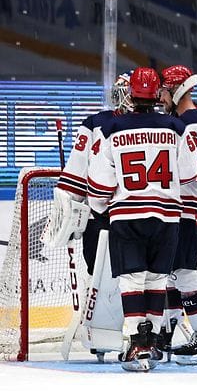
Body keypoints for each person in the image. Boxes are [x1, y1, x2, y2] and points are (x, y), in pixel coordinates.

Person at [85, 67, 197, 372]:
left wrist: (99, 207)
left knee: (132, 280)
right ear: (156, 93)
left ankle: (138, 343)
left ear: (131, 94)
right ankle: (152, 342)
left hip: (127, 215)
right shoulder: (176, 127)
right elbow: (191, 173)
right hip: (167, 216)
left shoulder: (112, 128)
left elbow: (99, 184)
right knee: (157, 279)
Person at [155, 65, 197, 365]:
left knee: (183, 272)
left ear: (176, 90)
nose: (160, 98)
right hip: (182, 208)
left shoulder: (192, 123)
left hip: (189, 209)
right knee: (171, 274)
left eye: (164, 92)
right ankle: (166, 334)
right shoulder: (189, 118)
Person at [48, 73, 133, 276]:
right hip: (104, 218)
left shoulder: (157, 124)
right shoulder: (95, 124)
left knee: (137, 279)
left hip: (133, 218)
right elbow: (76, 173)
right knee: (100, 275)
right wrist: (67, 213)